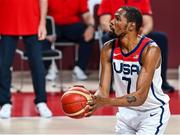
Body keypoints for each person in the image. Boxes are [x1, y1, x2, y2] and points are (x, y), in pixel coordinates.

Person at [85, 7, 170, 134]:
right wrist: (91, 101)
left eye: (118, 19)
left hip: (151, 114)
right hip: (125, 114)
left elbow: (140, 97)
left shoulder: (150, 50)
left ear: (131, 26)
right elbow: (103, 91)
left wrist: (106, 102)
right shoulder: (108, 49)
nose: (112, 22)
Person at [97, 0, 175, 93]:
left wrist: (139, 36)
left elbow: (149, 23)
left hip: (137, 33)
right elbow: (105, 23)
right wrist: (120, 30)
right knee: (106, 38)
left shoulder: (143, 0)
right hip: (118, 32)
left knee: (161, 38)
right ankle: (107, 84)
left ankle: (162, 82)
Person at [0, 0, 52, 118]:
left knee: (37, 64)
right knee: (3, 64)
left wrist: (42, 23)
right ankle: (4, 103)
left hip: (32, 20)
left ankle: (41, 102)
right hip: (6, 19)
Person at [47, 0, 95, 80]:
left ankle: (80, 69)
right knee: (43, 34)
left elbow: (86, 15)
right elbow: (43, 13)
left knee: (89, 34)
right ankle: (50, 68)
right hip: (54, 24)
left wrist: (91, 26)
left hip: (72, 25)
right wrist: (46, 28)